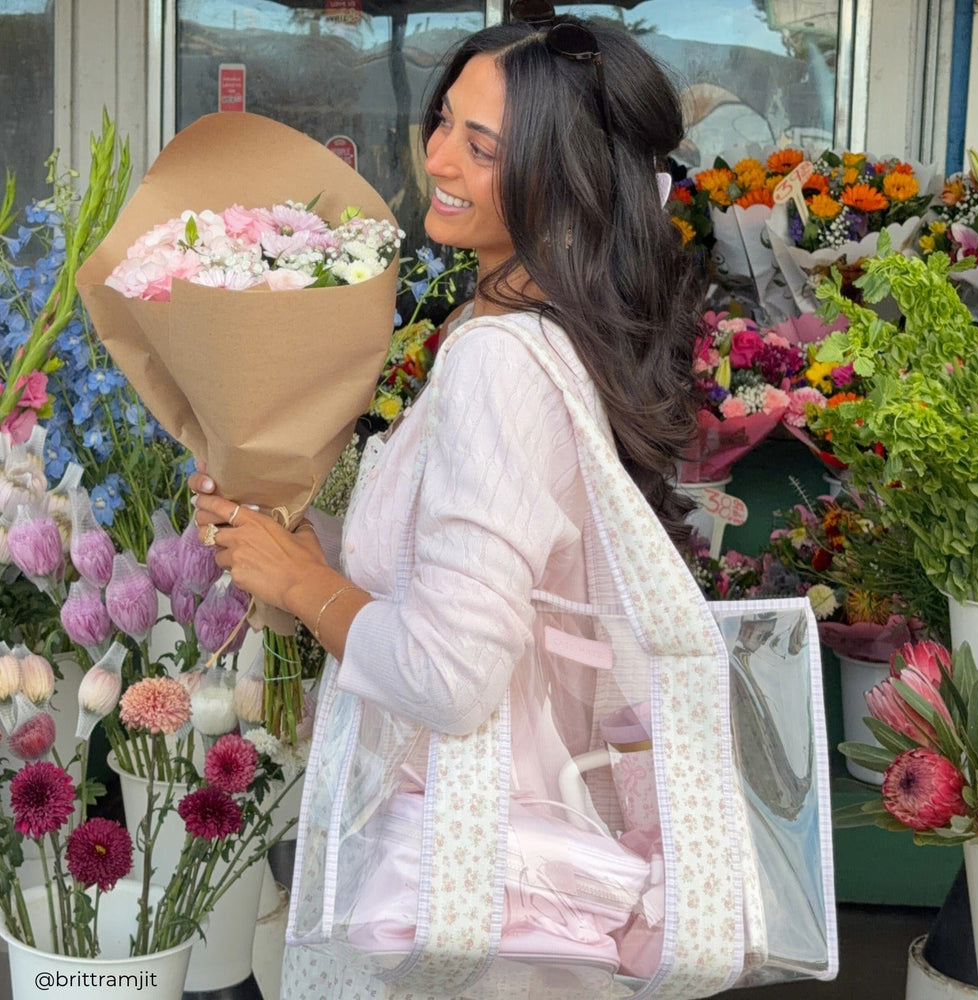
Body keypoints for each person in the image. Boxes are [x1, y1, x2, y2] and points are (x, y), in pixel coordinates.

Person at [190, 7, 707, 998]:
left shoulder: (499, 361)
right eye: (442, 124)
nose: (440, 158)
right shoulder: (535, 331)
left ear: (564, 176)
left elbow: (449, 673)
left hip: (495, 909)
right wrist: (292, 536)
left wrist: (302, 582)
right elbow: (474, 586)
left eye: (484, 147)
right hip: (526, 875)